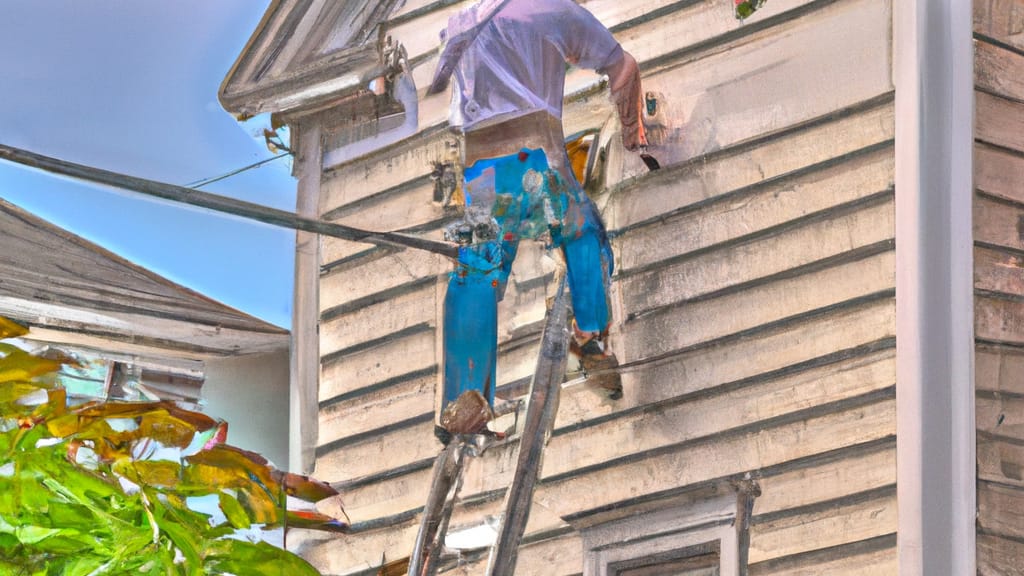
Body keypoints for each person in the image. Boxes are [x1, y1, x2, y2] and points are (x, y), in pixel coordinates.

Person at [430, 0, 647, 440]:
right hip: (532, 155)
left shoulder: (463, 22)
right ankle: (589, 338)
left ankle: (464, 402)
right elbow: (623, 67)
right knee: (581, 231)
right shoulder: (551, 9)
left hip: (480, 169)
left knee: (478, 271)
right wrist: (633, 133)